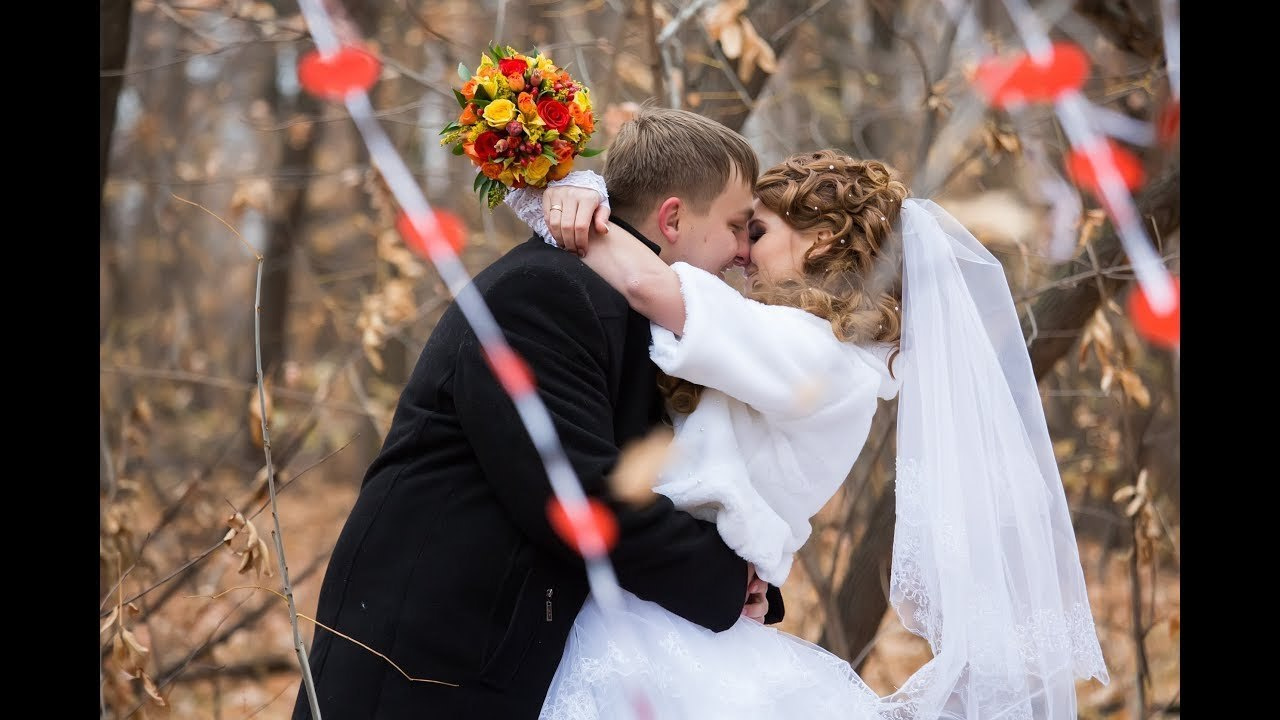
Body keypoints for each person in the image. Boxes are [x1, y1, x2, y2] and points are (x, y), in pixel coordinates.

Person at [523, 150, 1109, 719]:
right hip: (669, 597)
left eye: (756, 230)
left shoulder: (822, 356)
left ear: (823, 238)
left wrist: (568, 200)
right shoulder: (812, 349)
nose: (740, 252)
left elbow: (650, 287)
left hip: (664, 621)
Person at [292, 106, 786, 720]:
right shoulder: (542, 295)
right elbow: (576, 492)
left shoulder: (635, 317)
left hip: (501, 658)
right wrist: (724, 580)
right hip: (424, 666)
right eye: (739, 226)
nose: (744, 253)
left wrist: (750, 581)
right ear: (675, 218)